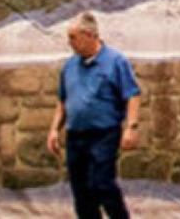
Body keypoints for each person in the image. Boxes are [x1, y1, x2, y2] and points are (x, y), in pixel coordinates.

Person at [49, 12, 141, 219]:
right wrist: (54, 130)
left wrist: (131, 127)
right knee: (81, 191)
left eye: (73, 37)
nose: (69, 43)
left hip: (103, 134)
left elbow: (132, 95)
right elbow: (63, 101)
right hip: (75, 136)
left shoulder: (115, 61)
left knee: (102, 184)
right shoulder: (69, 66)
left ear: (90, 35)